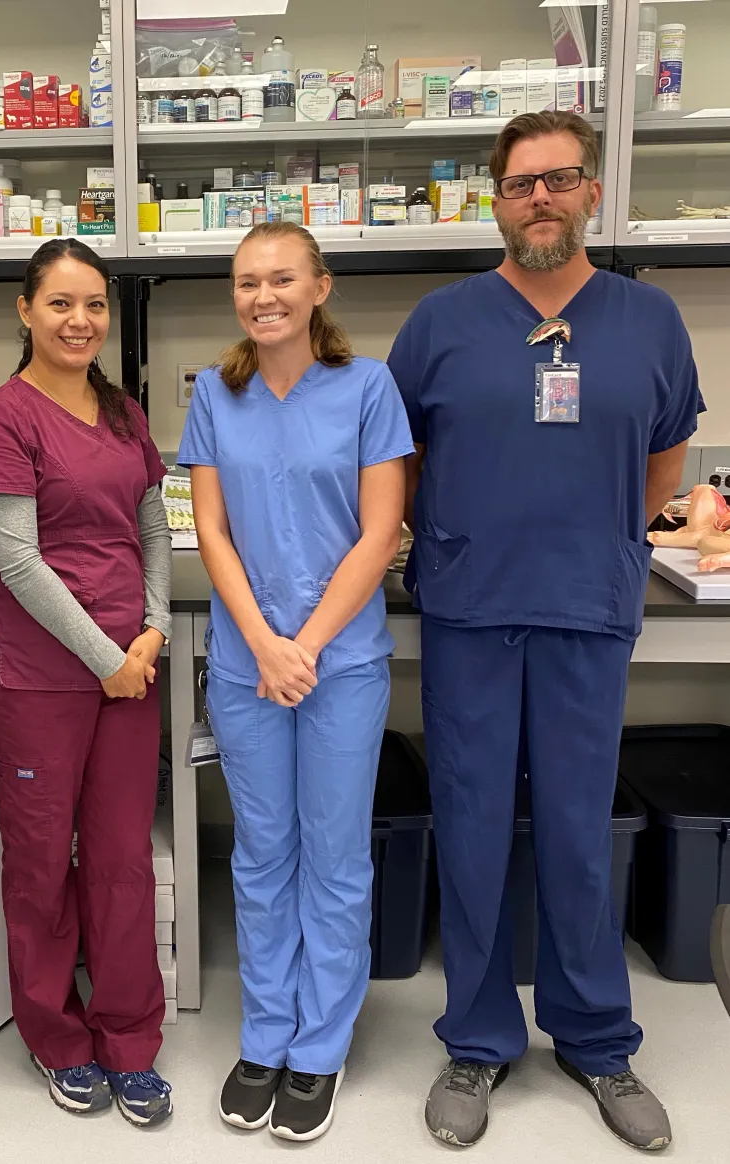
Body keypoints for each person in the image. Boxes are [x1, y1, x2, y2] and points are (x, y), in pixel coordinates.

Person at [388, 111, 701, 1152]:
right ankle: (477, 1041)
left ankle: (598, 1042)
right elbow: (404, 465)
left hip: (587, 610)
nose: (540, 199)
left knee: (576, 832)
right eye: (520, 184)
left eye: (560, 180)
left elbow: (665, 463)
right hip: (474, 609)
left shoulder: (647, 321)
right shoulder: (441, 322)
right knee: (472, 825)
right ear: (495, 198)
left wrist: (598, 538)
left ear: (591, 194)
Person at [179, 221, 413, 1143]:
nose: (261, 296)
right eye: (246, 282)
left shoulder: (367, 388)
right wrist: (263, 645)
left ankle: (319, 1044)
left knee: (334, 854)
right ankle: (266, 1032)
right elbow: (213, 532)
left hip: (340, 664)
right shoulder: (214, 393)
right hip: (247, 664)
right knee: (261, 854)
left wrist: (303, 644)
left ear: (321, 287)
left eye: (281, 279)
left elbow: (380, 532)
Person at [0, 238, 174, 1128]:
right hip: (42, 680)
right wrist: (109, 659)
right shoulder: (3, 418)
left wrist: (153, 631)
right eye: (60, 303)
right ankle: (58, 1038)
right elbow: (15, 556)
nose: (80, 320)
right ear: (26, 310)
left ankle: (130, 1037)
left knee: (123, 859)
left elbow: (153, 528)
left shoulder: (124, 414)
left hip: (132, 671)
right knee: (44, 863)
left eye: (94, 304)